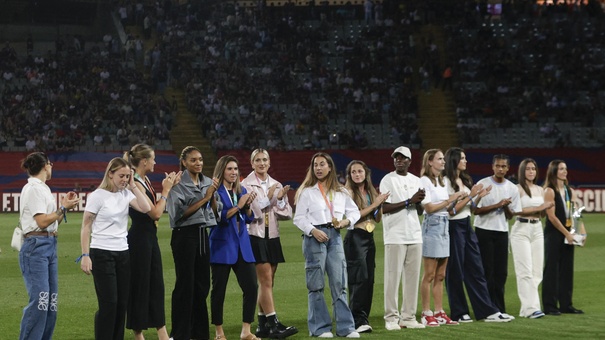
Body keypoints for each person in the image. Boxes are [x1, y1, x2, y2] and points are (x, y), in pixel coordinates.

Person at [80, 157, 152, 340]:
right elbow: (86, 226)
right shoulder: (97, 196)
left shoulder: (126, 194)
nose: (125, 180)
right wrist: (85, 255)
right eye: (121, 176)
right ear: (110, 174)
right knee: (109, 303)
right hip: (101, 253)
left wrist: (134, 186)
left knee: (121, 303)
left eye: (128, 176)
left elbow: (146, 208)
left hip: (123, 253)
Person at [293, 152, 361, 338]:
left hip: (335, 236)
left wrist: (345, 223)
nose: (319, 168)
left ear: (330, 167)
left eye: (322, 164)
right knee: (316, 285)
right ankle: (320, 328)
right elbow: (298, 218)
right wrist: (313, 230)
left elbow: (355, 213)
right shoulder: (307, 191)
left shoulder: (341, 192)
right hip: (314, 237)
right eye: (315, 165)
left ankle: (346, 328)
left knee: (340, 283)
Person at [443, 147, 512, 323]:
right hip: (453, 226)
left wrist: (479, 196)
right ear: (454, 161)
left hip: (466, 224)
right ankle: (459, 311)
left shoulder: (464, 180)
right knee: (456, 270)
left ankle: (486, 310)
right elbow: (451, 211)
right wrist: (471, 196)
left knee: (476, 269)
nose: (466, 161)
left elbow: (472, 209)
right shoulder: (446, 182)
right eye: (463, 158)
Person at [18, 152, 79, 340]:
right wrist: (61, 209)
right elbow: (42, 221)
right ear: (46, 166)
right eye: (50, 164)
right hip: (36, 246)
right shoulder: (34, 189)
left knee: (50, 301)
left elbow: (52, 224)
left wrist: (64, 208)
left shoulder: (42, 188)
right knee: (41, 301)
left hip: (48, 243)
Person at [125, 144, 182, 339]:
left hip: (149, 238)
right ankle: (138, 334)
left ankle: (162, 334)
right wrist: (166, 191)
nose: (155, 162)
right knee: (140, 286)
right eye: (153, 159)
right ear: (144, 161)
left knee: (156, 285)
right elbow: (156, 213)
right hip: (139, 240)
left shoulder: (144, 179)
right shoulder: (135, 183)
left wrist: (170, 187)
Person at [241, 149, 298, 339]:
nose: (262, 163)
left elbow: (286, 214)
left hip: (272, 236)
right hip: (255, 236)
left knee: (269, 282)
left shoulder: (276, 183)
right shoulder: (245, 185)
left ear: (269, 162)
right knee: (265, 281)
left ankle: (262, 324)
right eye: (257, 160)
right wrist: (270, 197)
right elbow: (254, 213)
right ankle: (274, 324)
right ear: (252, 163)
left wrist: (280, 198)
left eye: (264, 159)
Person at [166, 146, 221, 340]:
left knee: (201, 286)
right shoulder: (178, 184)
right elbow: (177, 215)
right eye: (193, 160)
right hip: (184, 236)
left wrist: (212, 196)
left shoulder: (208, 182)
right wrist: (205, 197)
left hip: (202, 235)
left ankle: (199, 333)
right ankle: (180, 333)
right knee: (185, 285)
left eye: (200, 159)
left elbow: (216, 212)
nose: (198, 163)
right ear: (184, 162)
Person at [210, 155, 259, 340]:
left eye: (236, 169)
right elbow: (219, 217)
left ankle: (246, 330)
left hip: (242, 247)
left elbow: (248, 217)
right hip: (222, 247)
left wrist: (246, 207)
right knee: (219, 291)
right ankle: (219, 332)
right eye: (230, 169)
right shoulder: (215, 192)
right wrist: (239, 206)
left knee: (251, 287)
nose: (233, 173)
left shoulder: (242, 189)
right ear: (222, 170)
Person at [378, 146, 428, 330]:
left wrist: (419, 201)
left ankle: (408, 317)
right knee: (392, 278)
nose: (399, 160)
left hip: (415, 233)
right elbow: (383, 208)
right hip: (394, 235)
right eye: (396, 158)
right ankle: (391, 318)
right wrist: (409, 201)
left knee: (412, 278)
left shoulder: (417, 180)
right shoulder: (387, 180)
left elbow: (420, 210)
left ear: (409, 161)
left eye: (403, 158)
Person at [418, 149, 465, 327]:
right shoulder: (423, 181)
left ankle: (439, 312)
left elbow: (447, 208)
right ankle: (426, 312)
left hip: (445, 224)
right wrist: (451, 198)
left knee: (441, 275)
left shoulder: (443, 181)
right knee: (429, 274)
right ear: (430, 162)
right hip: (433, 224)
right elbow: (429, 208)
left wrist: (462, 197)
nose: (443, 162)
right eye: (439, 159)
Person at [343, 160, 389, 333]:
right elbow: (354, 217)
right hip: (355, 238)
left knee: (369, 279)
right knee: (358, 279)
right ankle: (355, 319)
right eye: (353, 172)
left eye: (360, 171)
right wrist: (376, 203)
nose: (357, 174)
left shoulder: (371, 191)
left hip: (369, 237)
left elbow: (377, 219)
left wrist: (381, 204)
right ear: (350, 175)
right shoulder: (347, 192)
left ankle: (363, 318)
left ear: (366, 173)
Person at [474, 154, 521, 316]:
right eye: (498, 166)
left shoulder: (513, 188)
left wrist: (506, 207)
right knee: (487, 271)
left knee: (501, 273)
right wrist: (498, 205)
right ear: (492, 167)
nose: (500, 169)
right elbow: (475, 211)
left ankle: (500, 308)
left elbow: (510, 216)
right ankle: (488, 308)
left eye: (504, 166)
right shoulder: (483, 184)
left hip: (501, 232)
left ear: (508, 168)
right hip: (484, 231)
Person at [510, 159, 553, 319]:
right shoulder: (517, 189)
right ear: (522, 171)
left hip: (537, 228)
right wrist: (539, 208)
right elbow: (514, 211)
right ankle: (531, 309)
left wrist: (546, 209)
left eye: (533, 169)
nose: (531, 172)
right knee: (525, 271)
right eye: (527, 169)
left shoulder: (540, 190)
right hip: (521, 229)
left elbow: (541, 213)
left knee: (536, 273)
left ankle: (527, 308)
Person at [542, 160, 586, 315]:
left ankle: (566, 304)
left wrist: (581, 231)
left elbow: (575, 212)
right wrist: (566, 233)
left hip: (568, 233)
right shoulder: (549, 190)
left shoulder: (569, 190)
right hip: (554, 234)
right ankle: (550, 306)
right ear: (554, 171)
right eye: (561, 169)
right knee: (552, 270)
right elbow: (552, 217)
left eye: (565, 168)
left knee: (567, 270)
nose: (565, 171)